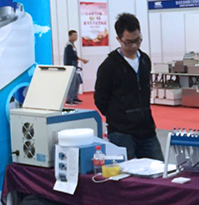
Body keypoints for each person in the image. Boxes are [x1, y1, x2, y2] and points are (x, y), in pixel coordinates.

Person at [94, 13, 163, 161]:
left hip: (147, 129)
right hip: (121, 132)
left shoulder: (145, 60)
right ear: (119, 39)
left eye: (138, 40)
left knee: (159, 168)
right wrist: (118, 117)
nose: (134, 46)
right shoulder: (108, 66)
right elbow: (100, 99)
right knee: (127, 172)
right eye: (129, 42)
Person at [64, 30, 88, 105]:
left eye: (76, 35)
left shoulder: (72, 45)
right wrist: (81, 59)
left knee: (77, 81)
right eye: (74, 35)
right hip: (70, 67)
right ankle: (69, 100)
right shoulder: (69, 45)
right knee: (72, 83)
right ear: (70, 36)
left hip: (74, 67)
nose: (76, 37)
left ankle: (74, 97)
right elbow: (71, 56)